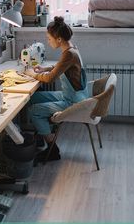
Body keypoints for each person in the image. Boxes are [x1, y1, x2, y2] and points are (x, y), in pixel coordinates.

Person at [25, 16, 88, 164]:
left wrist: (32, 74)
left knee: (34, 110)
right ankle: (43, 134)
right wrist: (45, 68)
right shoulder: (71, 50)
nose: (48, 41)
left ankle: (52, 149)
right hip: (72, 95)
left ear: (59, 39)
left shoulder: (69, 54)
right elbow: (60, 67)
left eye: (49, 38)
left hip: (73, 101)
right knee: (33, 98)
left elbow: (49, 79)